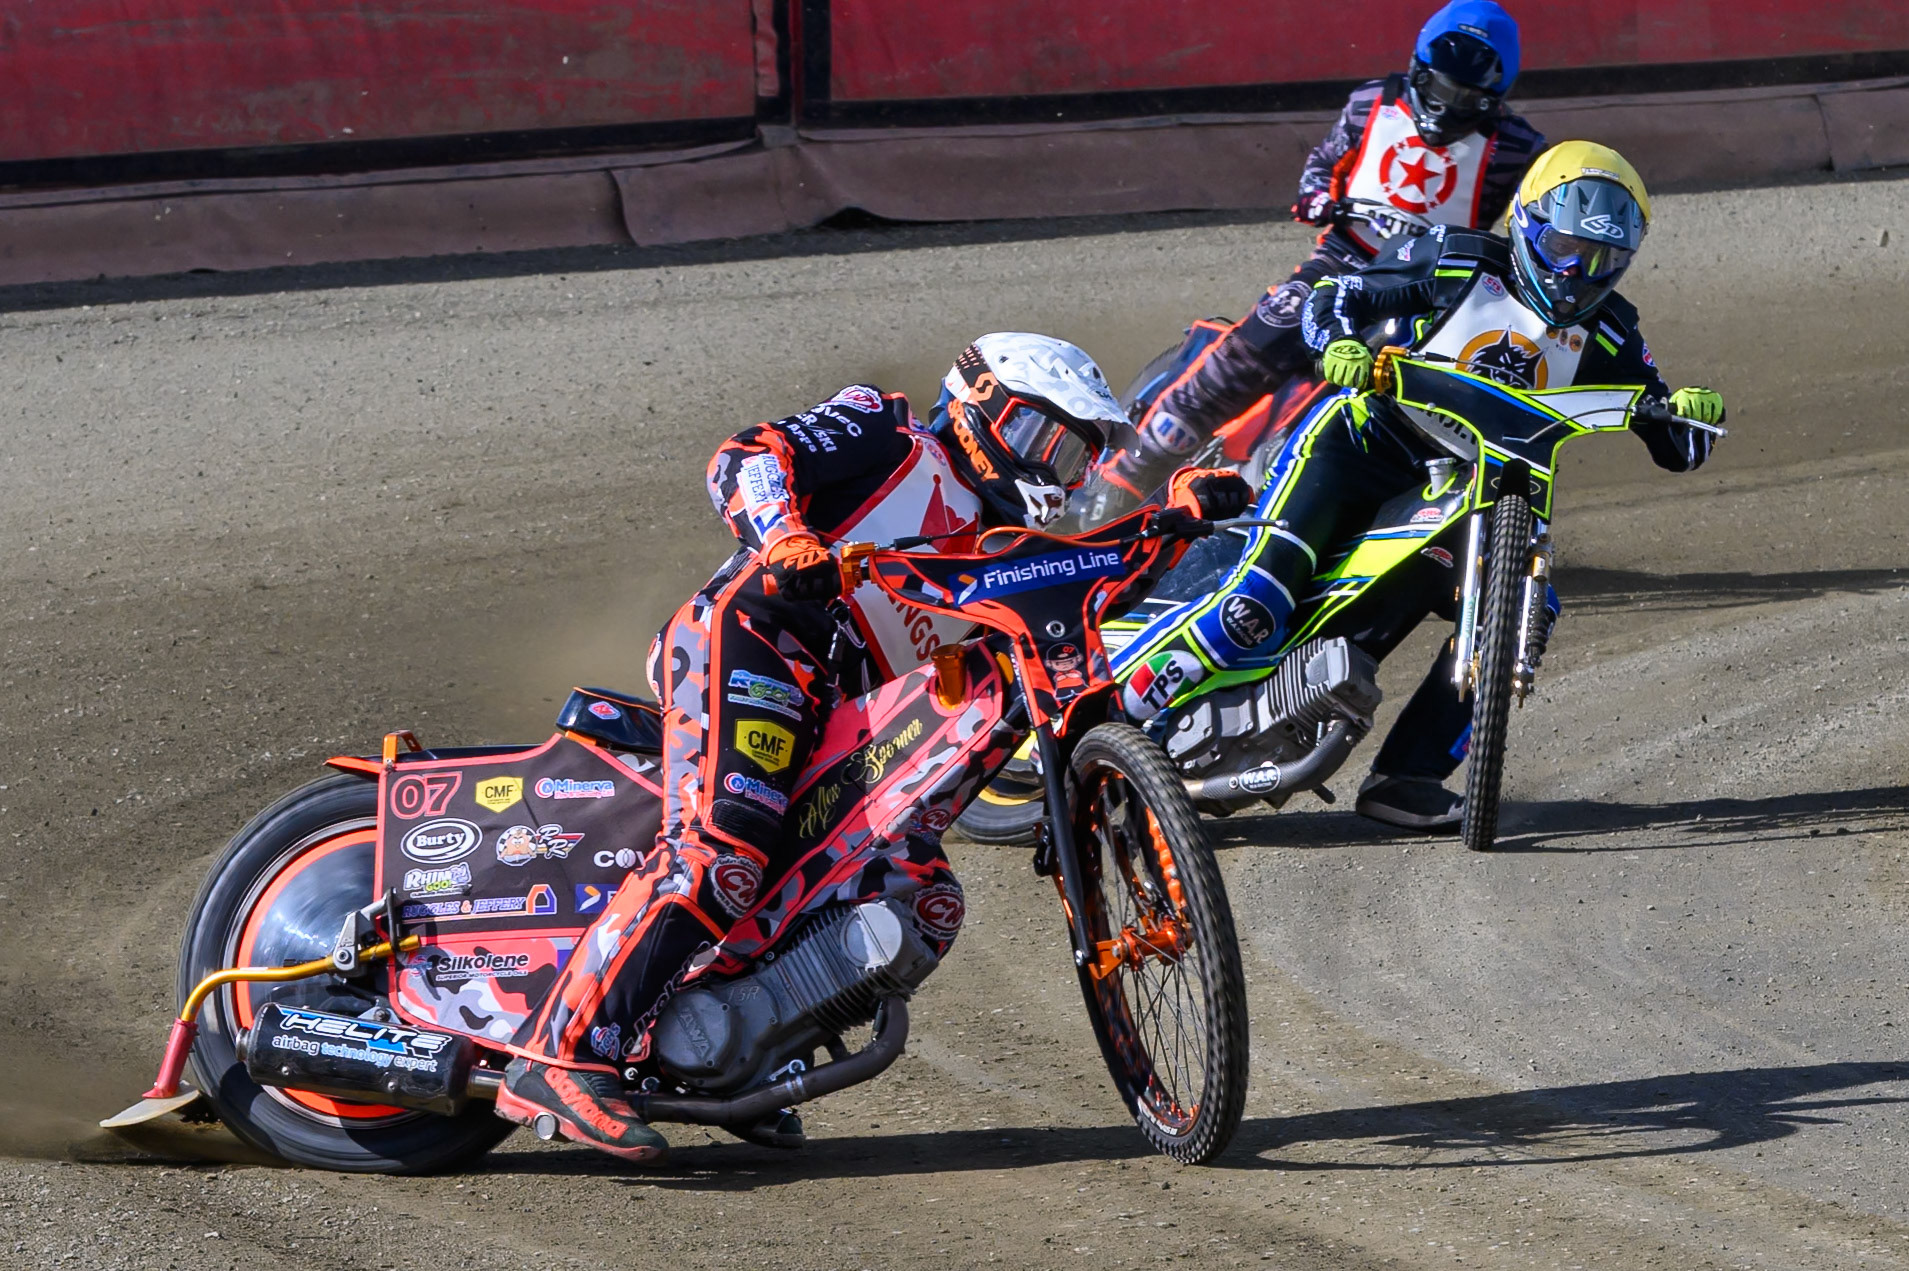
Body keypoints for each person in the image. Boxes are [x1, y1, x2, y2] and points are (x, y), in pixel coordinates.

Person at [493, 333, 1252, 1161]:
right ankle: (559, 1054)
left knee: (909, 892)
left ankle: (730, 1060)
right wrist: (783, 534)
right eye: (1045, 441)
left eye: (1074, 456)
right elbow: (748, 454)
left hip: (843, 713)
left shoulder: (1007, 547)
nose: (1058, 472)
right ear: (980, 410)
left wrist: (1183, 513)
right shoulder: (890, 433)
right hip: (757, 642)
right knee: (724, 850)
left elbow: (1099, 576)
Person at [1108, 142, 1725, 828]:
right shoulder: (1457, 258)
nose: (1580, 274)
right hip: (1360, 444)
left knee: (1527, 606)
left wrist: (1690, 415)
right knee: (1256, 601)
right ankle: (1103, 722)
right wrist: (1337, 343)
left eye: (1603, 260)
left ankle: (1406, 777)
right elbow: (1334, 296)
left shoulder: (1611, 331)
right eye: (1565, 247)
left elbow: (1677, 445)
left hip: (1475, 489)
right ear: (1524, 222)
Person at [1102, 0, 1545, 504]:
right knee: (1246, 354)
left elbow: (1531, 232)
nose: (1448, 106)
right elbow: (1320, 168)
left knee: (1433, 398)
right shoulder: (1371, 104)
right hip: (1340, 263)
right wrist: (1324, 202)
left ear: (1493, 99)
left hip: (1429, 293)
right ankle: (1126, 477)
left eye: (1467, 97)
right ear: (1419, 72)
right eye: (1442, 88)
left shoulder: (1519, 148)